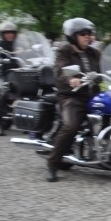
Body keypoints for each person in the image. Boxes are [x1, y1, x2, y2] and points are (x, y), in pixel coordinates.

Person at [46, 18, 101, 182]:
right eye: (83, 34)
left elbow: (108, 66)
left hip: (93, 95)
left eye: (89, 34)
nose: (87, 37)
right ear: (72, 36)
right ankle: (52, 163)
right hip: (72, 97)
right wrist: (71, 80)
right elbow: (59, 71)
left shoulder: (94, 53)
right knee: (71, 126)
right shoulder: (64, 51)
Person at [0, 21, 20, 135]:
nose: (9, 35)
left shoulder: (19, 45)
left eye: (12, 33)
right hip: (5, 74)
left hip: (19, 74)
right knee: (3, 93)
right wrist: (1, 60)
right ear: (2, 34)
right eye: (7, 33)